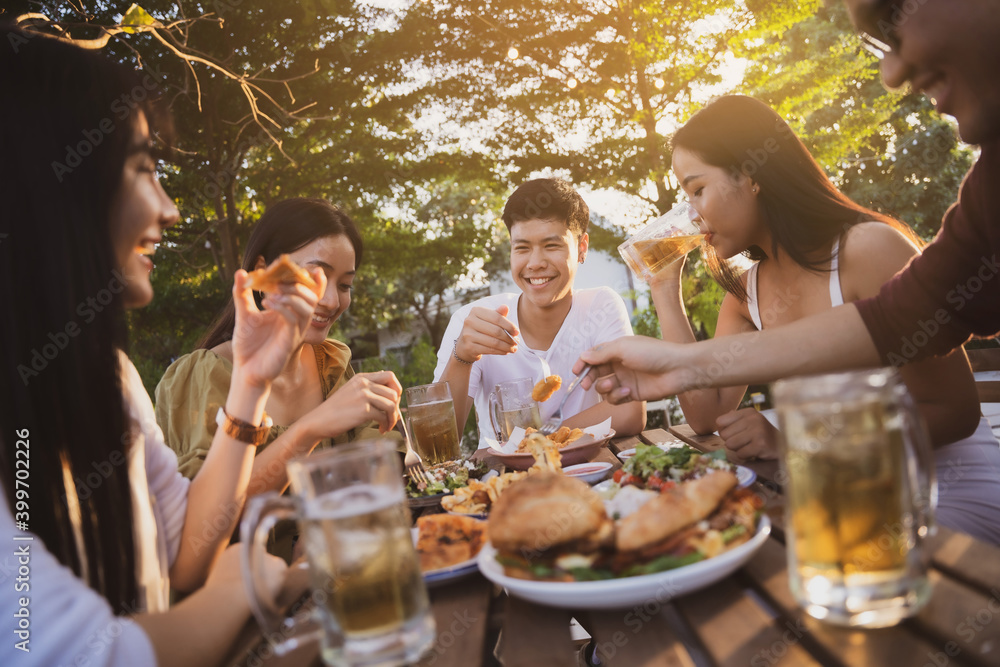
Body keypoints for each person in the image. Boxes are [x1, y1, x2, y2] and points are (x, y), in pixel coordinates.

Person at [0, 27, 338, 665]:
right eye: (142, 169)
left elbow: (185, 552)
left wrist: (250, 382)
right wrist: (244, 582)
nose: (170, 210)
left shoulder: (108, 375)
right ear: (48, 182)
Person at [578, 0, 1000, 397]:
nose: (890, 74)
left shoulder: (870, 247)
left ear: (752, 176)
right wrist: (680, 362)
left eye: (893, 16)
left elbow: (941, 394)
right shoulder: (987, 195)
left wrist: (786, 443)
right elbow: (892, 322)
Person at [645, 95, 1000, 542]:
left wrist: (795, 445)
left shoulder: (867, 250)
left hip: (942, 488)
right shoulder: (745, 294)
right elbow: (703, 414)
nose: (691, 214)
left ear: (751, 175)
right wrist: (663, 290)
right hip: (845, 492)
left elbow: (955, 412)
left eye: (698, 189)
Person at [156, 198, 402, 504]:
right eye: (315, 277)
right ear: (263, 272)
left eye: (344, 285)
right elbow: (202, 520)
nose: (331, 301)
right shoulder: (205, 375)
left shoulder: (333, 363)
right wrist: (310, 429)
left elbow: (377, 470)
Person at [435, 178, 646, 449]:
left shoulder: (600, 306)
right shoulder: (475, 321)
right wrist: (461, 358)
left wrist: (538, 440)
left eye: (551, 245)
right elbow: (442, 442)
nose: (535, 263)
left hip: (587, 474)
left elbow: (629, 412)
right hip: (503, 482)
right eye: (522, 248)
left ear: (582, 247)